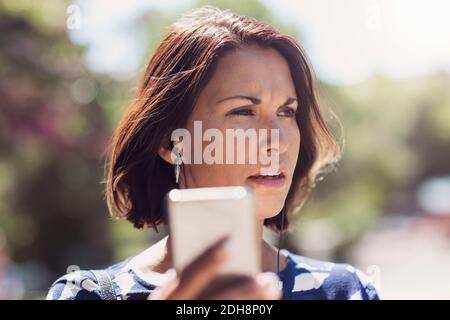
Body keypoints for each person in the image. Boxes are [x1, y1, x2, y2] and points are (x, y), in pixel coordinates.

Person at [47, 6, 379, 300]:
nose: (277, 140)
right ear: (170, 141)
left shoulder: (346, 292)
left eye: (287, 112)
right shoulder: (86, 294)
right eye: (243, 112)